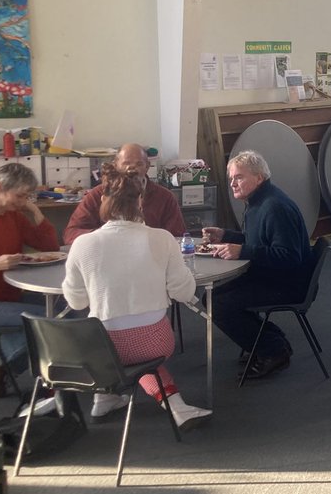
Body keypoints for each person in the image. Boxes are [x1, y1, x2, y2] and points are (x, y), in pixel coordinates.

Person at [61, 164, 211, 428]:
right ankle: (176, 407)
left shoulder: (83, 245)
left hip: (102, 349)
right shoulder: (163, 239)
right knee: (142, 356)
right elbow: (184, 293)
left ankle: (103, 399)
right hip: (154, 342)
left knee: (118, 347)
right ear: (140, 200)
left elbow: (77, 302)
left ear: (103, 200)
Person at [202, 151, 311, 381]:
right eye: (231, 178)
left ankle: (273, 350)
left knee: (217, 304)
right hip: (271, 275)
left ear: (259, 178)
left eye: (239, 177)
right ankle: (271, 340)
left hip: (287, 283)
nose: (232, 183)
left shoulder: (273, 207)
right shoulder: (259, 200)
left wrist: (243, 251)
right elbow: (258, 239)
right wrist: (226, 235)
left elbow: (290, 257)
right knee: (211, 299)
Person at [0, 163, 59, 396]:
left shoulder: (14, 216)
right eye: (19, 195)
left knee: (68, 309)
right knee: (45, 319)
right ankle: (3, 362)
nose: (22, 201)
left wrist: (35, 211)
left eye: (26, 196)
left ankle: (3, 356)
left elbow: (49, 247)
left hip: (11, 295)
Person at [64, 143, 186, 244]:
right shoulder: (99, 194)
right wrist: (105, 236)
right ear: (115, 166)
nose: (131, 169)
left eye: (139, 164)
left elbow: (178, 236)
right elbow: (71, 233)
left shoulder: (164, 197)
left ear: (147, 166)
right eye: (126, 163)